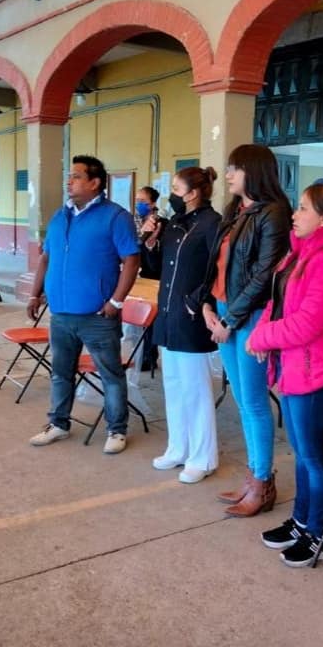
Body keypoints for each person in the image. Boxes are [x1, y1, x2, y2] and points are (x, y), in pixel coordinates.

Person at [246, 184, 323, 567]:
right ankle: (300, 522)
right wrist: (264, 333)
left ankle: (317, 534)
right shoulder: (300, 253)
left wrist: (263, 336)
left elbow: (308, 323)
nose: (295, 214)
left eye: (303, 208)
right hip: (294, 367)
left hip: (317, 371)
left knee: (313, 456)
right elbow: (275, 303)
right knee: (300, 452)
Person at [27, 155, 140, 454]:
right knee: (60, 372)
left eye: (76, 176)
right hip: (61, 313)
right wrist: (34, 294)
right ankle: (59, 424)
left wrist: (116, 301)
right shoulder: (59, 216)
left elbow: (131, 258)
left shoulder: (115, 216)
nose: (69, 181)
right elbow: (46, 257)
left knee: (110, 374)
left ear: (94, 182)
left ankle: (116, 429)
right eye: (69, 176)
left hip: (97, 315)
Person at [201, 144, 292, 516]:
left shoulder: (274, 213)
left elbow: (264, 274)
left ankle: (262, 482)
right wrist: (208, 305)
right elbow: (217, 264)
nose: (227, 175)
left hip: (249, 316)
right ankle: (255, 475)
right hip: (224, 309)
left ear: (252, 171)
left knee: (254, 401)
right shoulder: (236, 212)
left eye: (233, 168)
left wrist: (230, 321)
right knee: (241, 399)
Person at [141, 166, 222, 484]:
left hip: (192, 317)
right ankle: (178, 447)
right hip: (169, 314)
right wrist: (150, 242)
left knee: (195, 389)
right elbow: (156, 269)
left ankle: (203, 457)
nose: (171, 194)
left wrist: (197, 302)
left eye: (176, 188)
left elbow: (216, 270)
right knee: (172, 385)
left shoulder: (212, 224)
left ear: (192, 193)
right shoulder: (173, 223)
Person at [133, 185, 164, 370]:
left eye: (143, 202)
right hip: (140, 276)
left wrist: (150, 242)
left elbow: (156, 256)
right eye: (137, 201)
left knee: (150, 320)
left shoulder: (161, 224)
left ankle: (149, 357)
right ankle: (142, 355)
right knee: (140, 322)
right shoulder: (134, 221)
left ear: (152, 203)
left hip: (156, 278)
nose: (139, 205)